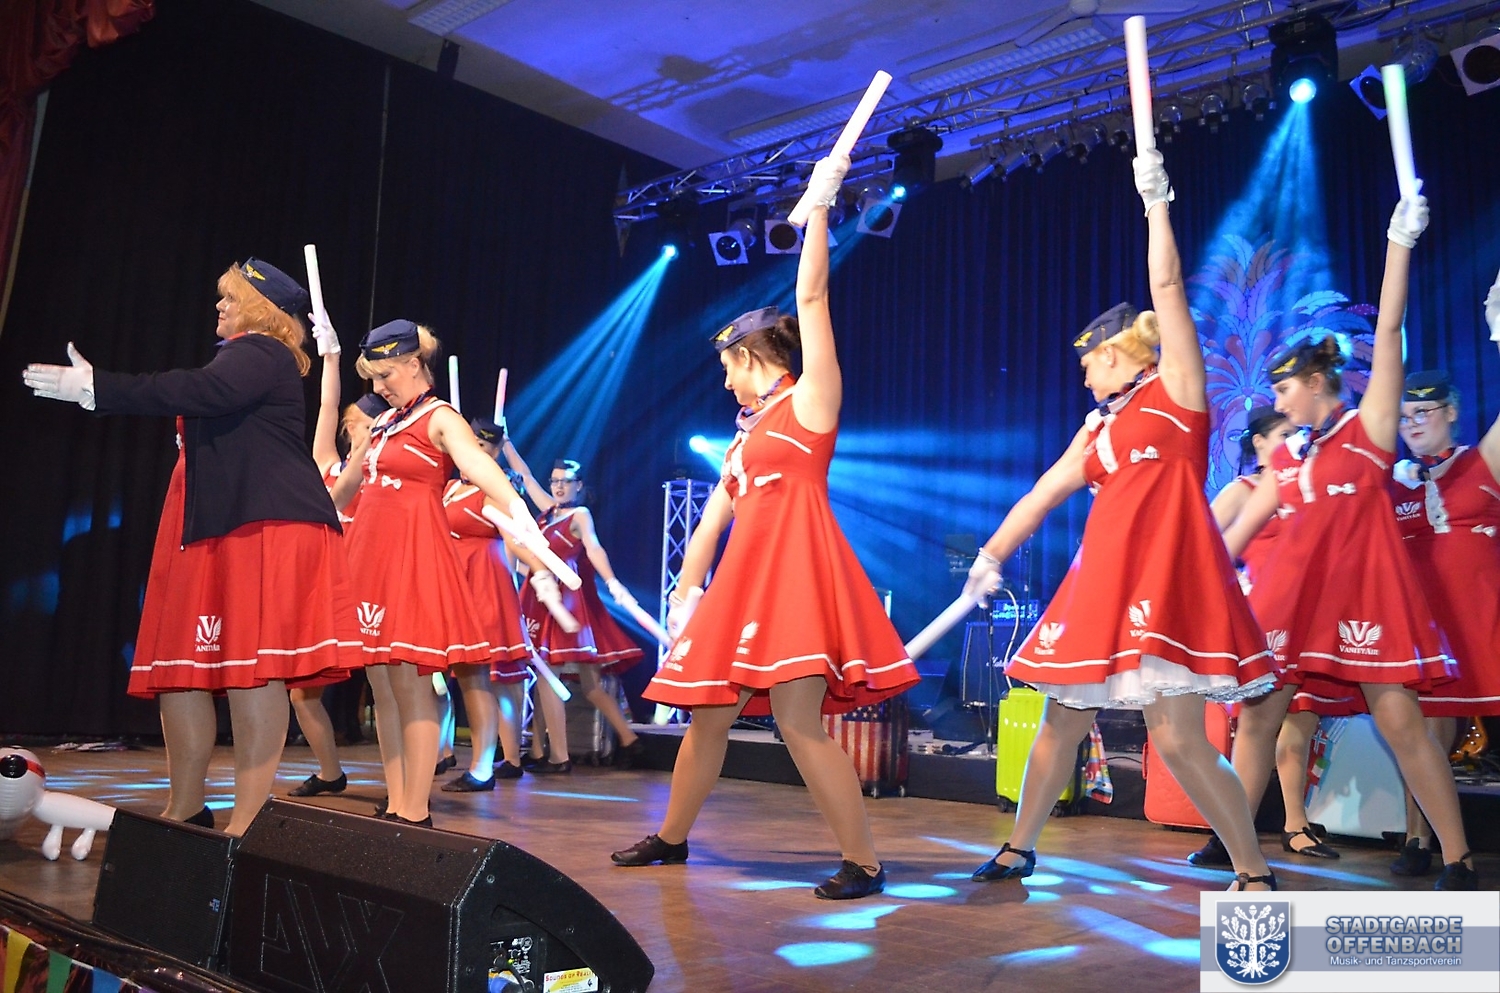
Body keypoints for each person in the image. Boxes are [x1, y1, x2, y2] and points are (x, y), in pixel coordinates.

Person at [962, 149, 1277, 892]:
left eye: (1088, 360)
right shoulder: (1098, 430)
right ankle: (1019, 847)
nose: (1081, 373)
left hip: (1165, 580)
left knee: (1179, 737)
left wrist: (1155, 201)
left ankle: (1253, 868)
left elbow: (1166, 285)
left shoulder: (1178, 391)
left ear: (1114, 353)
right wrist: (990, 556)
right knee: (1059, 720)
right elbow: (1042, 493)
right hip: (1101, 586)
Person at [611, 153, 919, 901]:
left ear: (752, 357)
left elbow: (812, 295)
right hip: (743, 584)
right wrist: (687, 586)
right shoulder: (744, 436)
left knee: (798, 719)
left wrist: (820, 207)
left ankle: (864, 862)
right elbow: (716, 512)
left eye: (729, 366)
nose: (724, 381)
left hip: (797, 577)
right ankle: (672, 837)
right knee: (706, 717)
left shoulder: (810, 402)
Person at [22, 258, 361, 835]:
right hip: (212, 520)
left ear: (261, 310)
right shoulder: (243, 357)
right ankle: (184, 808)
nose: (219, 306)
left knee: (254, 670)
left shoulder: (262, 351)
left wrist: (100, 387)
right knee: (181, 669)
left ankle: (247, 821)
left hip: (262, 524)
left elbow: (200, 389)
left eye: (231, 297)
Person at [1218, 188, 1479, 890]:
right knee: (1259, 716)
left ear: (1314, 383)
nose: (1276, 402)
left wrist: (1400, 242)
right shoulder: (1287, 454)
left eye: (1284, 390)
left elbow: (1388, 330)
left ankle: (1457, 855)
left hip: (1365, 594)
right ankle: (1234, 845)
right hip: (1296, 601)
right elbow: (1241, 528)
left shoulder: (1369, 430)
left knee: (1400, 721)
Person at [343, 319, 546, 826]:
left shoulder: (440, 416)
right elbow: (345, 487)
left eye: (386, 375)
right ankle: (395, 801)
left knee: (411, 685)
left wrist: (519, 511)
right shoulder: (384, 424)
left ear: (414, 364)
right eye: (374, 378)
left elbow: (478, 466)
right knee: (383, 688)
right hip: (369, 558)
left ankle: (415, 809)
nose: (379, 387)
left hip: (411, 558)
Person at [1190, 405, 1358, 866]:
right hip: (1265, 621)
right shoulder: (1243, 490)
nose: (1293, 439)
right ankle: (1231, 834)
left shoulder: (1307, 486)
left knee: (1299, 728)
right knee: (1257, 726)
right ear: (1259, 443)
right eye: (1283, 433)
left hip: (1314, 619)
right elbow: (1202, 547)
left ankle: (1295, 826)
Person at [1387, 354, 1500, 875]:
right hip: (1426, 626)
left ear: (1451, 412)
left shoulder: (1483, 462)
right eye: (1404, 417)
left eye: (1424, 412)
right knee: (1423, 732)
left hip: (1484, 617)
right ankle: (1419, 838)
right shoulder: (1391, 482)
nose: (1412, 424)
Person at [286, 332, 387, 800]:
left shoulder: (383, 476)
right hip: (325, 588)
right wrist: (331, 357)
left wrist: (374, 444)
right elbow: (326, 406)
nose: (354, 430)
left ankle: (406, 788)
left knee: (386, 688)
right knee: (302, 692)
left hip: (369, 590)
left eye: (364, 425)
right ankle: (330, 772)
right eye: (353, 425)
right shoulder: (327, 462)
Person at [502, 447, 645, 771]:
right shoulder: (547, 513)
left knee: (553, 676)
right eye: (554, 481)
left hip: (566, 600)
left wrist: (613, 583)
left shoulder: (579, 515)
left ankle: (556, 755)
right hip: (540, 596)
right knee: (574, 681)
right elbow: (525, 476)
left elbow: (594, 549)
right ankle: (626, 740)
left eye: (565, 481)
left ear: (579, 485)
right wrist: (507, 443)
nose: (558, 486)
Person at [440, 417, 533, 790]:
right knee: (447, 678)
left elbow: (517, 541)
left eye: (482, 448)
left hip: (484, 585)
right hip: (452, 584)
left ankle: (496, 761)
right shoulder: (449, 488)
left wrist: (542, 574)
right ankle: (444, 751)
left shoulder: (495, 492)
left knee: (492, 676)